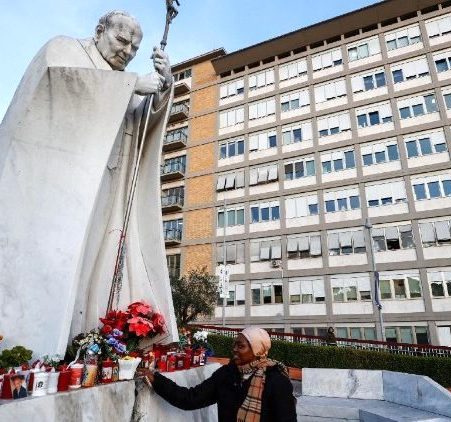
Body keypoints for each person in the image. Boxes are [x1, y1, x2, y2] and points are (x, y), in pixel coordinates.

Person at [0, 10, 178, 356]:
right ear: (99, 31)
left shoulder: (123, 81)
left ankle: (85, 342)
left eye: (134, 48)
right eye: (121, 41)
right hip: (61, 189)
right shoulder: (64, 50)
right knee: (66, 263)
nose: (127, 52)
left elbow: (142, 125)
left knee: (96, 267)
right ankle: (41, 346)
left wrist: (162, 88)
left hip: (108, 187)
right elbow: (56, 90)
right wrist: (129, 86)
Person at [139, 327, 297, 422]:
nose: (234, 349)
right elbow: (191, 399)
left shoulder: (276, 380)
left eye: (241, 346)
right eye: (234, 345)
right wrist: (156, 379)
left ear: (257, 351)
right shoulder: (227, 374)